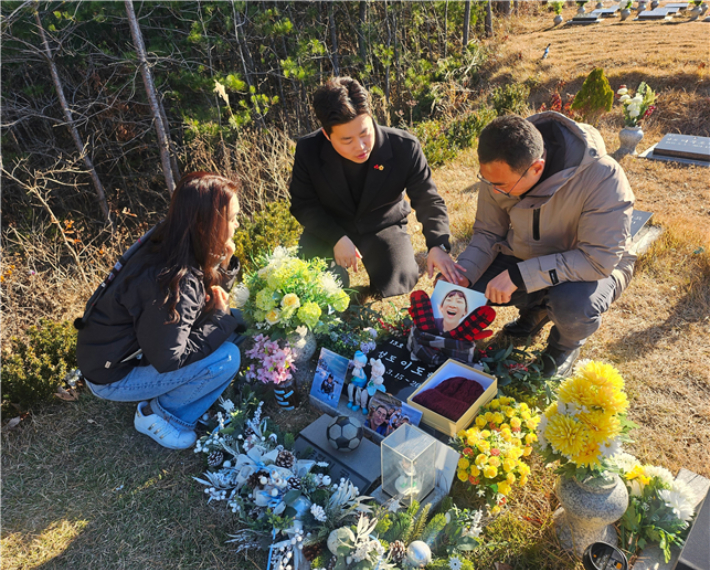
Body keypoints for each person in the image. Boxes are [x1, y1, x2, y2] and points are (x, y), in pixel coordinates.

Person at [450, 113, 635, 378]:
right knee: (469, 291)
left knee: (572, 304)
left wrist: (519, 275)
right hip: (526, 255)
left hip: (594, 267)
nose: (492, 190)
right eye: (486, 180)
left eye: (500, 186)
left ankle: (564, 346)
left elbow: (597, 260)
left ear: (537, 168)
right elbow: (488, 232)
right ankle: (536, 312)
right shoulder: (500, 170)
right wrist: (463, 275)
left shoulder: (602, 176)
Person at [76, 172, 245, 449]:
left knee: (236, 326)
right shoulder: (170, 280)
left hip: (130, 348)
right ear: (207, 224)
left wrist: (223, 264)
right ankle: (161, 414)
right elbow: (170, 359)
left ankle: (172, 397)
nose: (237, 224)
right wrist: (217, 318)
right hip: (112, 375)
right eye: (232, 218)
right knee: (227, 357)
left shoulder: (174, 236)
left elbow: (198, 299)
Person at [289, 76, 465, 298]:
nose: (360, 146)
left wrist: (438, 244)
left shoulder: (404, 146)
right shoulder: (309, 150)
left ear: (371, 118)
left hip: (382, 225)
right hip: (328, 226)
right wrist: (336, 237)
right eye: (347, 140)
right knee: (317, 292)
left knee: (400, 283)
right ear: (327, 134)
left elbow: (427, 198)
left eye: (365, 133)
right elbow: (302, 204)